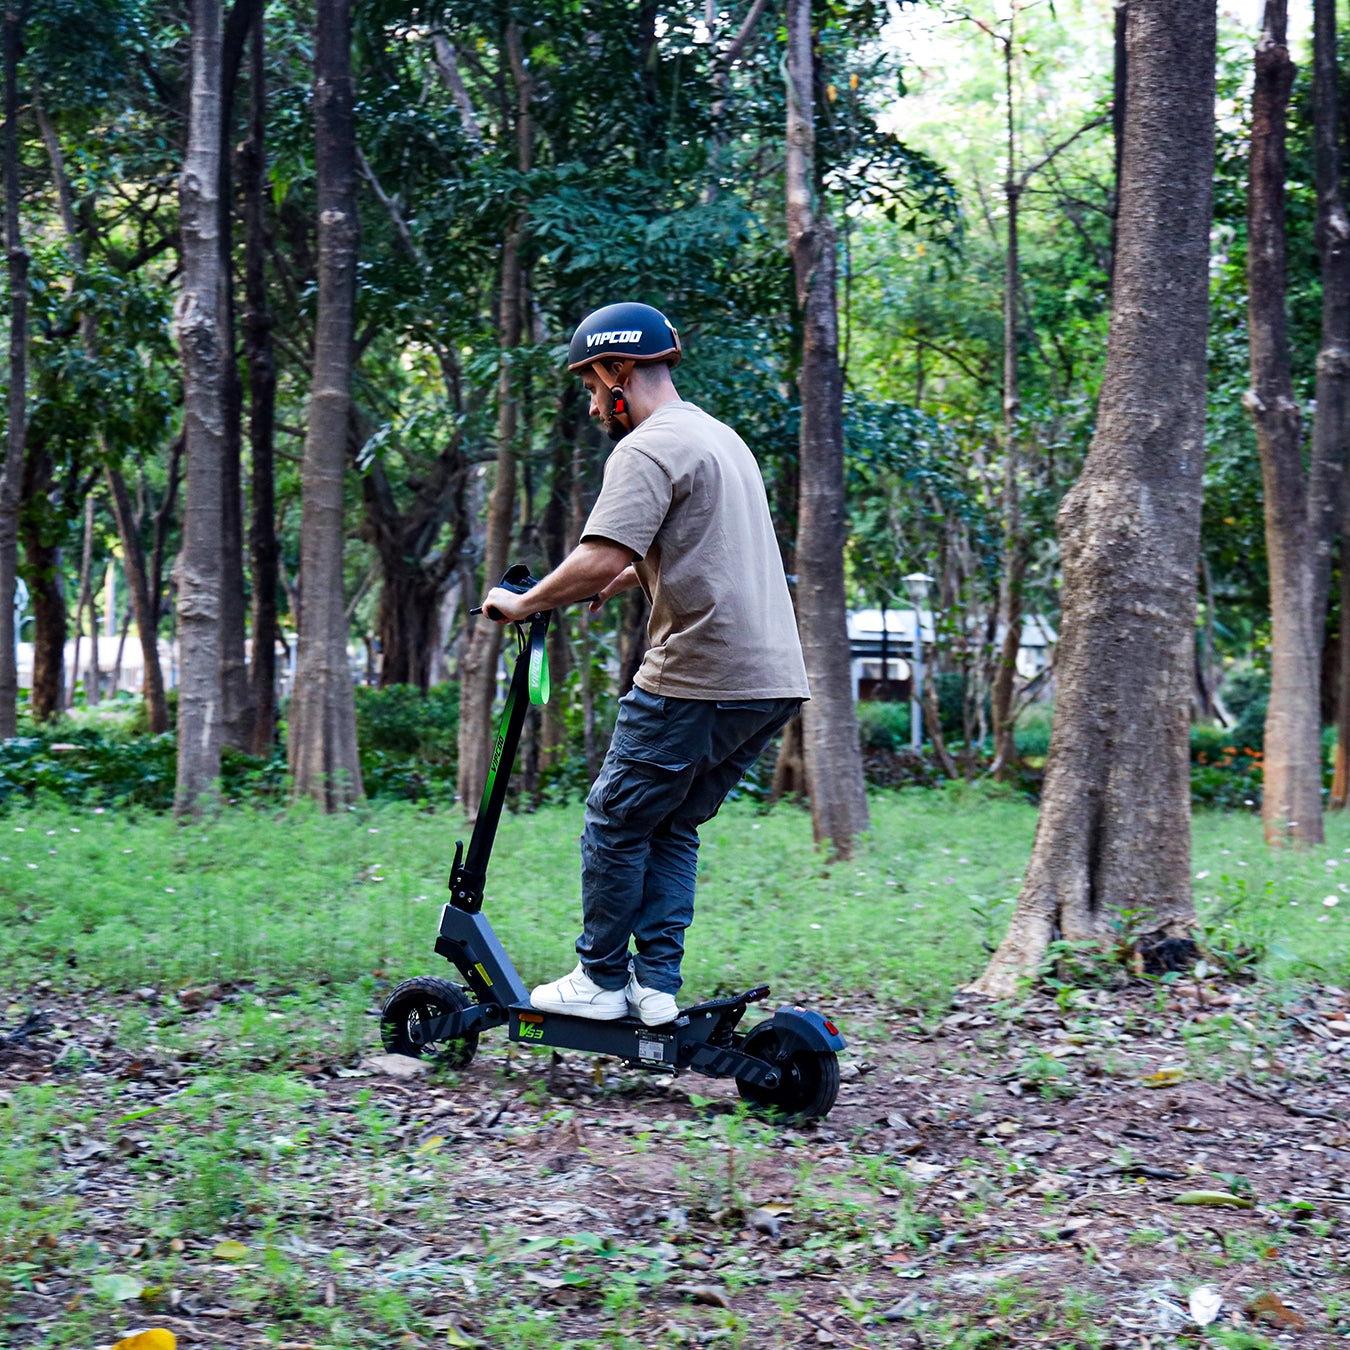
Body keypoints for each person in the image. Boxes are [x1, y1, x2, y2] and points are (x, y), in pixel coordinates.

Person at [479, 301, 809, 1027]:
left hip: (698, 673)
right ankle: (654, 989)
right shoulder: (718, 439)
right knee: (670, 825)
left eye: (594, 387)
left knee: (613, 817)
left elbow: (603, 551)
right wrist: (609, 582)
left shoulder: (647, 447)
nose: (595, 403)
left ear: (618, 370)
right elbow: (681, 550)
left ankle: (600, 978)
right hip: (770, 681)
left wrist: (524, 602)